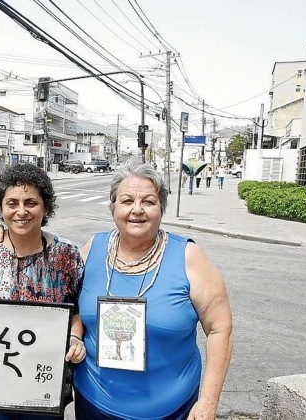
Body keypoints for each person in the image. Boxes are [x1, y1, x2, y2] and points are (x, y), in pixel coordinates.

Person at [73, 161, 233, 419]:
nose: (137, 210)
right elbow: (71, 306)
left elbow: (219, 329)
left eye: (148, 202)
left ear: (162, 209)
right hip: (95, 403)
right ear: (113, 208)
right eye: (126, 201)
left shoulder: (188, 257)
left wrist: (208, 402)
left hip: (171, 408)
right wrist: (75, 336)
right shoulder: (93, 248)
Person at [0, 162, 86, 419]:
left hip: (45, 389)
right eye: (12, 203)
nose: (21, 211)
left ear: (46, 207)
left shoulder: (67, 255)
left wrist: (75, 339)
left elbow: (77, 312)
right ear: (0, 207)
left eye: (31, 202)